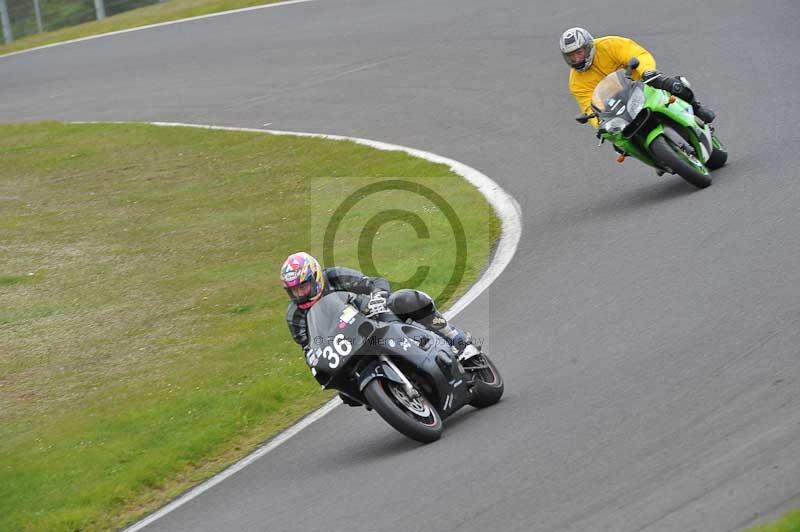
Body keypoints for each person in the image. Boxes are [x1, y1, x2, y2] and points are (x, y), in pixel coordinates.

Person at [280, 252, 476, 403]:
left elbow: (373, 283)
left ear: (315, 277)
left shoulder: (334, 276)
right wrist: (313, 358)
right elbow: (308, 345)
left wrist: (378, 297)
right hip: (345, 346)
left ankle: (457, 341)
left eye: (303, 286)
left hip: (370, 317)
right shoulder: (295, 315)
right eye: (294, 291)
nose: (300, 294)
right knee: (346, 395)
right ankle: (390, 396)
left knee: (407, 300)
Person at [559, 27, 715, 125]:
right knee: (618, 142)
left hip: (642, 82)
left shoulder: (610, 44)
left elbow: (637, 54)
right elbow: (588, 105)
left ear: (588, 47)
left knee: (673, 84)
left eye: (579, 53)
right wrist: (599, 122)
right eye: (571, 56)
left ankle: (697, 108)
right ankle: (656, 157)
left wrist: (647, 71)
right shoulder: (576, 82)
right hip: (618, 105)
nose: (576, 59)